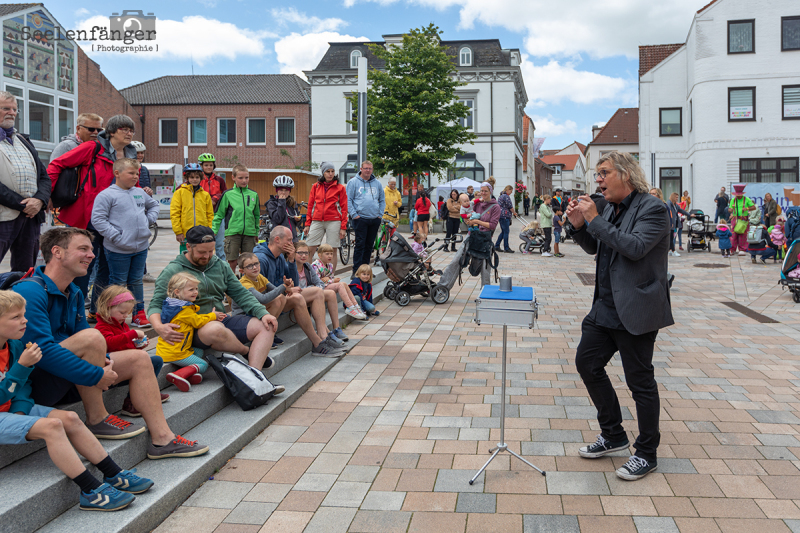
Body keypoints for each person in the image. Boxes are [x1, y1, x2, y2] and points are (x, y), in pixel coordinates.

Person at [14, 227, 209, 457]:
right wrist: (96, 374)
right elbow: (41, 352)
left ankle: (162, 440)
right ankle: (97, 418)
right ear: (57, 252)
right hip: (36, 381)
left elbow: (84, 342)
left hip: (68, 375)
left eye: (91, 249)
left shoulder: (74, 292)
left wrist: (103, 360)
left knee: (139, 358)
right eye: (83, 249)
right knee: (93, 335)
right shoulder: (29, 290)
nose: (92, 254)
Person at [566, 150, 672, 481]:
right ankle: (613, 434)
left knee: (639, 381)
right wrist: (579, 227)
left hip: (636, 308)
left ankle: (647, 452)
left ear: (625, 174)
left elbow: (635, 247)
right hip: (605, 308)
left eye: (603, 172)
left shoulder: (653, 209)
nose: (598, 179)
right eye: (597, 173)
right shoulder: (610, 208)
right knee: (587, 363)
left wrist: (595, 219)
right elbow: (597, 247)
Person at [0, 291, 153, 511]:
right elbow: (15, 380)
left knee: (70, 417)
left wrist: (22, 409)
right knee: (52, 426)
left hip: (12, 408)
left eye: (23, 314)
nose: (25, 320)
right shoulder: (20, 351)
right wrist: (22, 367)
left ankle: (114, 473)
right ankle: (90, 490)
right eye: (15, 317)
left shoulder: (14, 345)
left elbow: (24, 387)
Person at [147, 226, 282, 374]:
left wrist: (263, 313)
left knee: (267, 325)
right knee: (215, 329)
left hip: (220, 320)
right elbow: (155, 304)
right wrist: (159, 328)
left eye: (211, 251)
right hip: (192, 329)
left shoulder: (220, 265)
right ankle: (245, 351)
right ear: (188, 247)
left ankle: (255, 375)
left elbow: (241, 294)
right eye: (201, 252)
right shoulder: (173, 270)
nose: (207, 256)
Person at [48, 114, 138, 322]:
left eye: (131, 130)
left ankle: (95, 312)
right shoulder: (93, 148)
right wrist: (48, 195)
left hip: (115, 220)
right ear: (112, 131)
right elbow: (57, 165)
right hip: (86, 218)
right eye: (125, 129)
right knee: (83, 266)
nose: (129, 133)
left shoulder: (130, 153)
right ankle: (74, 312)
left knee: (107, 268)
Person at [252, 226, 345, 357]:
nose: (292, 243)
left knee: (317, 291)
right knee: (297, 298)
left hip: (281, 296)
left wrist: (291, 260)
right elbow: (262, 293)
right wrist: (285, 288)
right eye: (289, 240)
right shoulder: (261, 259)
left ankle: (323, 336)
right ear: (277, 240)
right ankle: (317, 344)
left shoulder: (279, 257)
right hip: (267, 303)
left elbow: (294, 282)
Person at [90, 158, 160, 328]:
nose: (135, 176)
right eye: (131, 173)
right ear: (117, 173)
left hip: (141, 247)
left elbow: (154, 206)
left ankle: (138, 313)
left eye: (137, 173)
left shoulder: (139, 192)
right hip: (117, 249)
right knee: (118, 282)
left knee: (136, 281)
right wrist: (115, 236)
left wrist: (147, 221)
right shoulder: (107, 195)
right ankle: (113, 315)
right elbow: (98, 219)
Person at [93, 284, 169, 417]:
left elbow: (126, 346)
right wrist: (132, 334)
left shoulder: (122, 325)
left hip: (126, 365)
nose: (125, 316)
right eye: (121, 313)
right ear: (107, 307)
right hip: (111, 368)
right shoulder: (101, 326)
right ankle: (131, 404)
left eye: (127, 313)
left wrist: (138, 346)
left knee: (156, 360)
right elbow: (110, 343)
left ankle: (147, 393)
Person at [0, 91, 51, 271]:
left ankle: (22, 300)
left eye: (14, 109)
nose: (12, 113)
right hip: (4, 215)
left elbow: (44, 177)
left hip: (30, 217)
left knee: (25, 271)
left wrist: (39, 200)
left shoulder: (23, 139)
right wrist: (23, 204)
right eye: (6, 108)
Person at [157, 272, 226, 392]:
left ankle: (190, 374)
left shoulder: (172, 305)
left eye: (196, 289)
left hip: (168, 349)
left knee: (198, 352)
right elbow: (198, 322)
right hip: (176, 352)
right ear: (177, 292)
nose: (195, 292)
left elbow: (193, 318)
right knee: (204, 365)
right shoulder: (184, 310)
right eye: (191, 289)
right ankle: (179, 375)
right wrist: (212, 315)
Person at [438, 183, 501, 289]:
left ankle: (485, 292)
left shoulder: (496, 207)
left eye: (485, 191)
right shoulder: (476, 204)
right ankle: (443, 286)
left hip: (485, 239)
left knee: (485, 268)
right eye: (481, 191)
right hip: (471, 236)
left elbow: (492, 225)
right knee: (456, 260)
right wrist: (467, 221)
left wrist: (477, 221)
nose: (483, 193)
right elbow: (466, 215)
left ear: (491, 191)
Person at [293, 241, 351, 348]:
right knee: (318, 292)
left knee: (331, 294)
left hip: (309, 293)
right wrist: (313, 289)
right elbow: (295, 288)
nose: (303, 256)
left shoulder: (307, 266)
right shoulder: (291, 267)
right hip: (297, 295)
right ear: (293, 253)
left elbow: (319, 283)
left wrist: (315, 288)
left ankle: (336, 328)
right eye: (300, 253)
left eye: (306, 253)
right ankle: (326, 334)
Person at [212, 164, 260, 273]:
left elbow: (256, 215)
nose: (244, 180)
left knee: (248, 261)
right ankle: (231, 285)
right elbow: (219, 215)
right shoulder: (228, 194)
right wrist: (214, 231)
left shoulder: (254, 195)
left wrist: (256, 231)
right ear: (233, 178)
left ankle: (247, 285)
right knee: (232, 261)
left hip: (249, 233)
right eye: (240, 178)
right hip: (232, 233)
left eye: (246, 177)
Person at [306, 162, 348, 271]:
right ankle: (308, 275)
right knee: (309, 248)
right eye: (327, 171)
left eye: (332, 171)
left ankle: (331, 276)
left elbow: (344, 208)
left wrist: (343, 227)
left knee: (332, 250)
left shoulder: (340, 188)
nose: (330, 174)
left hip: (334, 221)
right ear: (323, 173)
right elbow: (310, 206)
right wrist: (307, 224)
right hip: (317, 220)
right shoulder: (315, 187)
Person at [346, 160, 385, 275]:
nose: (368, 170)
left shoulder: (377, 183)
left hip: (374, 219)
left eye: (370, 168)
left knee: (369, 246)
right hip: (360, 219)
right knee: (360, 245)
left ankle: (366, 271)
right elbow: (348, 200)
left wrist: (380, 215)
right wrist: (354, 215)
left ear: (372, 170)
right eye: (366, 168)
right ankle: (356, 271)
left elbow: (382, 200)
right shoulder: (353, 182)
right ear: (361, 169)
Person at [311, 243, 367, 319]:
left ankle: (356, 306)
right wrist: (331, 280)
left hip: (326, 285)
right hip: (319, 288)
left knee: (343, 283)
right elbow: (317, 282)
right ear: (320, 255)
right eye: (327, 254)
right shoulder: (315, 265)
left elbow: (328, 279)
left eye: (331, 253)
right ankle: (350, 307)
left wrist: (329, 280)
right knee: (340, 285)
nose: (330, 256)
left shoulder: (330, 265)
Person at [171, 163, 214, 254]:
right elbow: (175, 213)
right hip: (186, 234)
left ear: (201, 178)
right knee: (186, 257)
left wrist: (210, 230)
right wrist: (178, 231)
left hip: (202, 233)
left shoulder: (205, 195)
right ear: (186, 178)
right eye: (192, 177)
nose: (195, 180)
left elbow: (210, 214)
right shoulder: (179, 193)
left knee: (201, 256)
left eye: (197, 177)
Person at [197, 153, 227, 260]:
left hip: (218, 214)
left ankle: (222, 265)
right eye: (206, 165)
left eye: (211, 165)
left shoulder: (219, 179)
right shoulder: (198, 179)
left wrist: (215, 198)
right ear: (201, 166)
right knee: (203, 242)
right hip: (202, 214)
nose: (209, 167)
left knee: (219, 244)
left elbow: (225, 193)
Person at [267, 175, 302, 242]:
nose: (283, 192)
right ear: (276, 190)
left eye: (286, 190)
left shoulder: (292, 203)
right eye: (281, 190)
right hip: (279, 239)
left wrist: (298, 220)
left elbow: (298, 224)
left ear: (289, 191)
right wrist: (281, 202)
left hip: (292, 238)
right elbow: (278, 219)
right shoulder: (272, 203)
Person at [728, 184, 756, 256]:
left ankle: (742, 249)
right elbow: (730, 209)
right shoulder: (733, 200)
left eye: (739, 195)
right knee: (733, 234)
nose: (738, 196)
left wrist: (747, 208)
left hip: (744, 218)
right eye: (737, 195)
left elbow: (753, 207)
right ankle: (732, 249)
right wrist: (730, 210)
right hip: (735, 218)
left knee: (743, 234)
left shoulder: (746, 199)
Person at [667, 193, 690, 257]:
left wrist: (689, 215)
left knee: (672, 237)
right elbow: (669, 213)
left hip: (674, 224)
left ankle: (670, 250)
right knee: (671, 237)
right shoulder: (669, 203)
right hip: (671, 224)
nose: (677, 199)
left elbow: (681, 210)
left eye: (677, 197)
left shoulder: (675, 205)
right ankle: (673, 251)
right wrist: (670, 222)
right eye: (676, 197)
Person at [495, 185, 516, 253]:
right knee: (506, 232)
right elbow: (510, 206)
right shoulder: (506, 196)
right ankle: (506, 247)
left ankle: (497, 245)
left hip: (501, 215)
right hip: (505, 215)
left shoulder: (501, 196)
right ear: (508, 190)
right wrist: (514, 213)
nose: (511, 192)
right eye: (511, 191)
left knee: (503, 231)